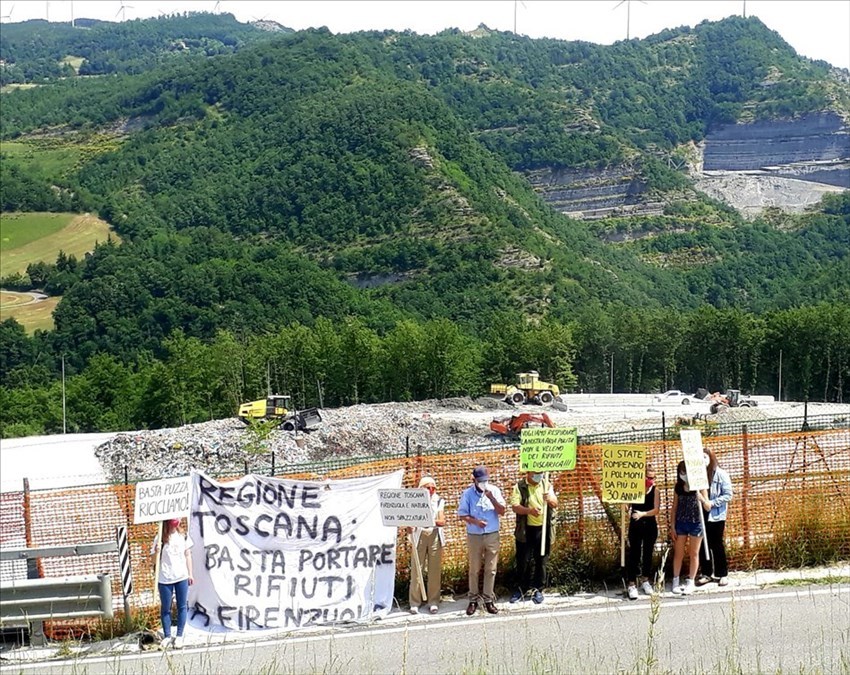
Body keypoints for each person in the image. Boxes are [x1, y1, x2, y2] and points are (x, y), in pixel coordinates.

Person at [457, 465, 506, 616]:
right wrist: (475, 522)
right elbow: (462, 515)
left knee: (490, 569)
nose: (483, 483)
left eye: (485, 480)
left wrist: (491, 498)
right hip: (475, 536)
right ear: (474, 480)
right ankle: (473, 599)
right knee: (474, 569)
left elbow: (502, 511)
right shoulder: (467, 494)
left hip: (492, 534)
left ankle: (488, 599)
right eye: (480, 481)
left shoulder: (495, 490)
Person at [510, 472, 558, 604]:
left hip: (543, 529)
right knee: (523, 560)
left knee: (541, 560)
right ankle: (521, 588)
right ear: (528, 473)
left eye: (540, 473)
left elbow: (555, 503)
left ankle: (538, 589)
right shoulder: (520, 486)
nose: (539, 476)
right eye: (535, 473)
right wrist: (529, 511)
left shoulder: (547, 484)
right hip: (525, 530)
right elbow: (515, 507)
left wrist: (549, 499)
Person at [151, 518, 194, 648]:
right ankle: (167, 636)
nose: (177, 520)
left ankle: (179, 636)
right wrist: (157, 552)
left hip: (181, 576)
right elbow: (153, 560)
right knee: (166, 608)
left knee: (182, 606)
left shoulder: (183, 536)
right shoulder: (159, 538)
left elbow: (188, 555)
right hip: (164, 578)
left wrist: (190, 573)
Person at [669, 460, 711, 595]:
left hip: (696, 523)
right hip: (681, 522)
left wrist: (702, 499)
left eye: (686, 472)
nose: (684, 475)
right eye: (682, 472)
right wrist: (672, 526)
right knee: (678, 553)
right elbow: (674, 508)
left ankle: (690, 581)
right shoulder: (678, 487)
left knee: (694, 553)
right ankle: (675, 580)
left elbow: (708, 506)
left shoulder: (700, 486)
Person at [408, 476, 446, 614]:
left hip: (434, 535)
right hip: (419, 535)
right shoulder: (414, 501)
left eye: (432, 488)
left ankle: (433, 601)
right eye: (427, 487)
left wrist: (426, 520)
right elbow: (409, 520)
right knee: (417, 569)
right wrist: (411, 526)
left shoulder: (439, 501)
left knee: (434, 569)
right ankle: (415, 601)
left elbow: (441, 521)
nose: (430, 490)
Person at [626, 462, 660, 599]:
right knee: (634, 554)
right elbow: (627, 507)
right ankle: (631, 583)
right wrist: (624, 506)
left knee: (647, 554)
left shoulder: (656, 491)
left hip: (649, 525)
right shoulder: (635, 489)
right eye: (648, 477)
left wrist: (643, 514)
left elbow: (656, 510)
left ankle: (645, 580)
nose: (650, 481)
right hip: (635, 526)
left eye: (653, 478)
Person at [698, 450, 733, 587]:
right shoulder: (699, 476)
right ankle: (706, 573)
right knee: (702, 544)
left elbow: (728, 495)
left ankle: (722, 573)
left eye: (705, 457)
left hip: (716, 515)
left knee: (717, 544)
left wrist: (711, 503)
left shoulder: (721, 474)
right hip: (702, 514)